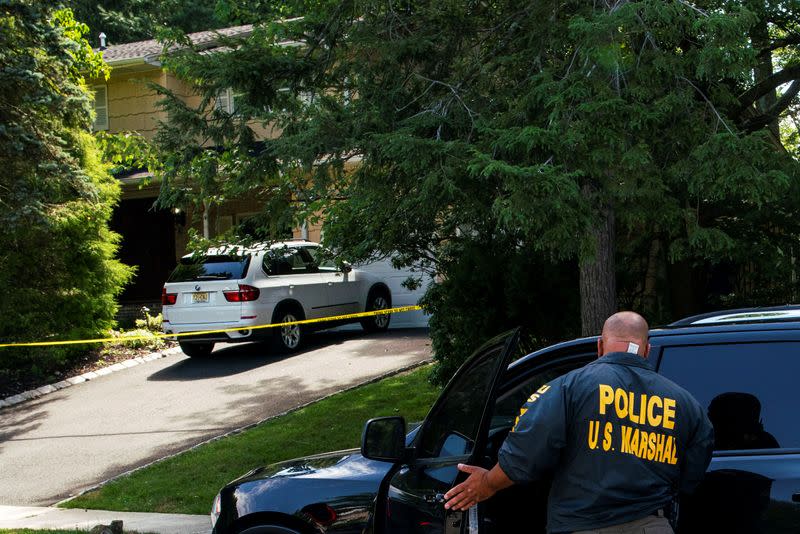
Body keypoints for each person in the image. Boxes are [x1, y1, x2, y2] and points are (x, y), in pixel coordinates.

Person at [443, 311, 714, 534]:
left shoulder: (568, 387)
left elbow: (526, 451)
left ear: (599, 346)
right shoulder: (686, 404)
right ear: (646, 350)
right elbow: (693, 471)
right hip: (653, 526)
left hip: (583, 525)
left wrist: (488, 483)